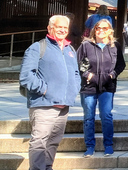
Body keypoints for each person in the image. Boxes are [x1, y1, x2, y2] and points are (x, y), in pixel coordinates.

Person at [19, 15, 80, 170]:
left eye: (65, 28)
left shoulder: (70, 49)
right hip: (43, 104)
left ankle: (47, 167)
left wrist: (74, 89)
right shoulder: (38, 47)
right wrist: (45, 89)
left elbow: (75, 73)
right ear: (49, 28)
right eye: (59, 27)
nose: (62, 30)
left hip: (64, 104)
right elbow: (26, 76)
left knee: (54, 141)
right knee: (39, 142)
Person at [77, 18, 126, 157]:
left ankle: (108, 144)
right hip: (89, 86)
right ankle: (90, 145)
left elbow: (121, 65)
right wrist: (87, 75)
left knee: (106, 115)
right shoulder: (86, 45)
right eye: (98, 28)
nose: (101, 31)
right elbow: (79, 63)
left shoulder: (114, 46)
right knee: (88, 117)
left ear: (109, 30)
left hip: (107, 85)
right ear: (94, 30)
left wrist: (112, 75)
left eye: (104, 28)